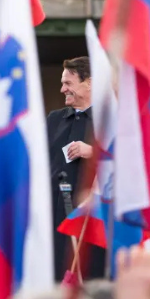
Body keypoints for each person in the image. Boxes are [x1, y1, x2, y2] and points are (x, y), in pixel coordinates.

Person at [46, 56, 103, 280]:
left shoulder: (110, 119)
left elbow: (131, 162)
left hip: (91, 218)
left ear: (89, 82)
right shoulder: (54, 119)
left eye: (68, 83)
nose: (62, 89)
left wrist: (93, 152)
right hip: (55, 217)